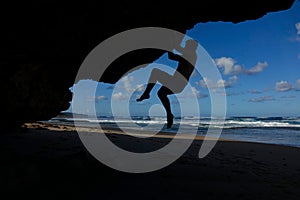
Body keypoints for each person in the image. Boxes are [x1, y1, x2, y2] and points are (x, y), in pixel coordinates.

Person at [136, 39, 198, 128]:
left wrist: (170, 43)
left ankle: (146, 94)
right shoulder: (189, 55)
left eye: (187, 45)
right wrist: (171, 45)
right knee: (161, 93)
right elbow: (173, 55)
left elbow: (173, 54)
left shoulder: (191, 55)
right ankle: (169, 115)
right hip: (178, 83)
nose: (185, 46)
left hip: (178, 82)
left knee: (155, 72)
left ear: (192, 47)